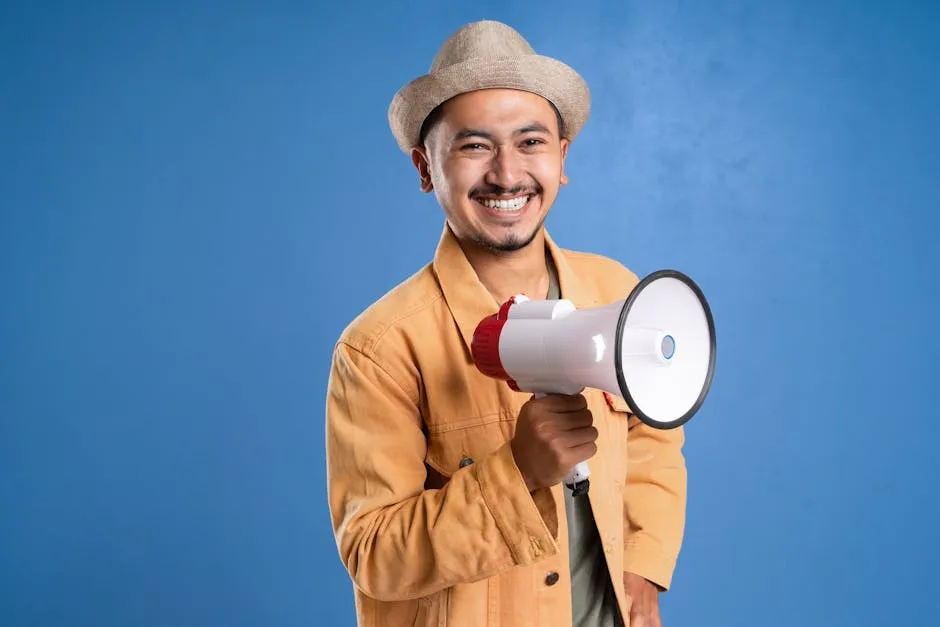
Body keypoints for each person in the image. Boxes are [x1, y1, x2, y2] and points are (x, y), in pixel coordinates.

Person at [325, 19, 687, 627]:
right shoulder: (381, 348)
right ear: (424, 167)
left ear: (562, 157)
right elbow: (374, 555)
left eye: (530, 142)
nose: (506, 174)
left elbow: (653, 443)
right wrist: (515, 471)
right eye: (473, 146)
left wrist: (644, 566)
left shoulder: (617, 292)